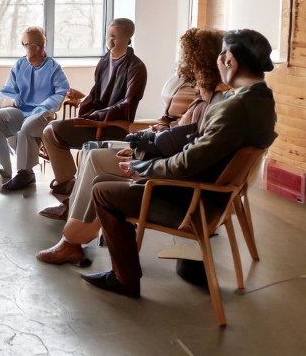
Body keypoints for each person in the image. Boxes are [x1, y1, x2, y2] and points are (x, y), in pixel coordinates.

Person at [83, 29, 277, 297]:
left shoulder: (234, 107)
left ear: (229, 60)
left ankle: (124, 278)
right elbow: (202, 151)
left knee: (101, 190)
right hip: (212, 194)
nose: (218, 62)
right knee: (104, 180)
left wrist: (143, 168)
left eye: (221, 56)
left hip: (193, 202)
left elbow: (188, 163)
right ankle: (148, 269)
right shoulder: (262, 101)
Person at [36, 27, 226, 266]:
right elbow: (181, 131)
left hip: (155, 161)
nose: (181, 63)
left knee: (93, 156)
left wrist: (143, 158)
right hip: (156, 148)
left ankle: (72, 239)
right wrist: (160, 131)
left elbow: (183, 145)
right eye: (109, 35)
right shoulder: (206, 98)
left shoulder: (209, 102)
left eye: (185, 56)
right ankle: (72, 219)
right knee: (89, 151)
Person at [41, 18, 147, 196]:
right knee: (48, 130)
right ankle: (68, 181)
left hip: (113, 126)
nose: (110, 41)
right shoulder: (105, 62)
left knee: (53, 130)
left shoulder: (136, 67)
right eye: (108, 36)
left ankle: (69, 183)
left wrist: (96, 115)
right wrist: (82, 103)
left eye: (115, 37)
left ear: (128, 38)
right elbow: (96, 95)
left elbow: (127, 105)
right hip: (95, 120)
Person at [0, 26, 69, 189]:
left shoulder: (53, 68)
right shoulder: (19, 64)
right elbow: (4, 93)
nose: (24, 48)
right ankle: (6, 169)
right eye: (24, 44)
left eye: (26, 44)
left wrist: (42, 108)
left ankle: (25, 173)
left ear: (40, 46)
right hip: (21, 110)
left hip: (43, 115)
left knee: (26, 127)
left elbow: (61, 93)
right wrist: (13, 100)